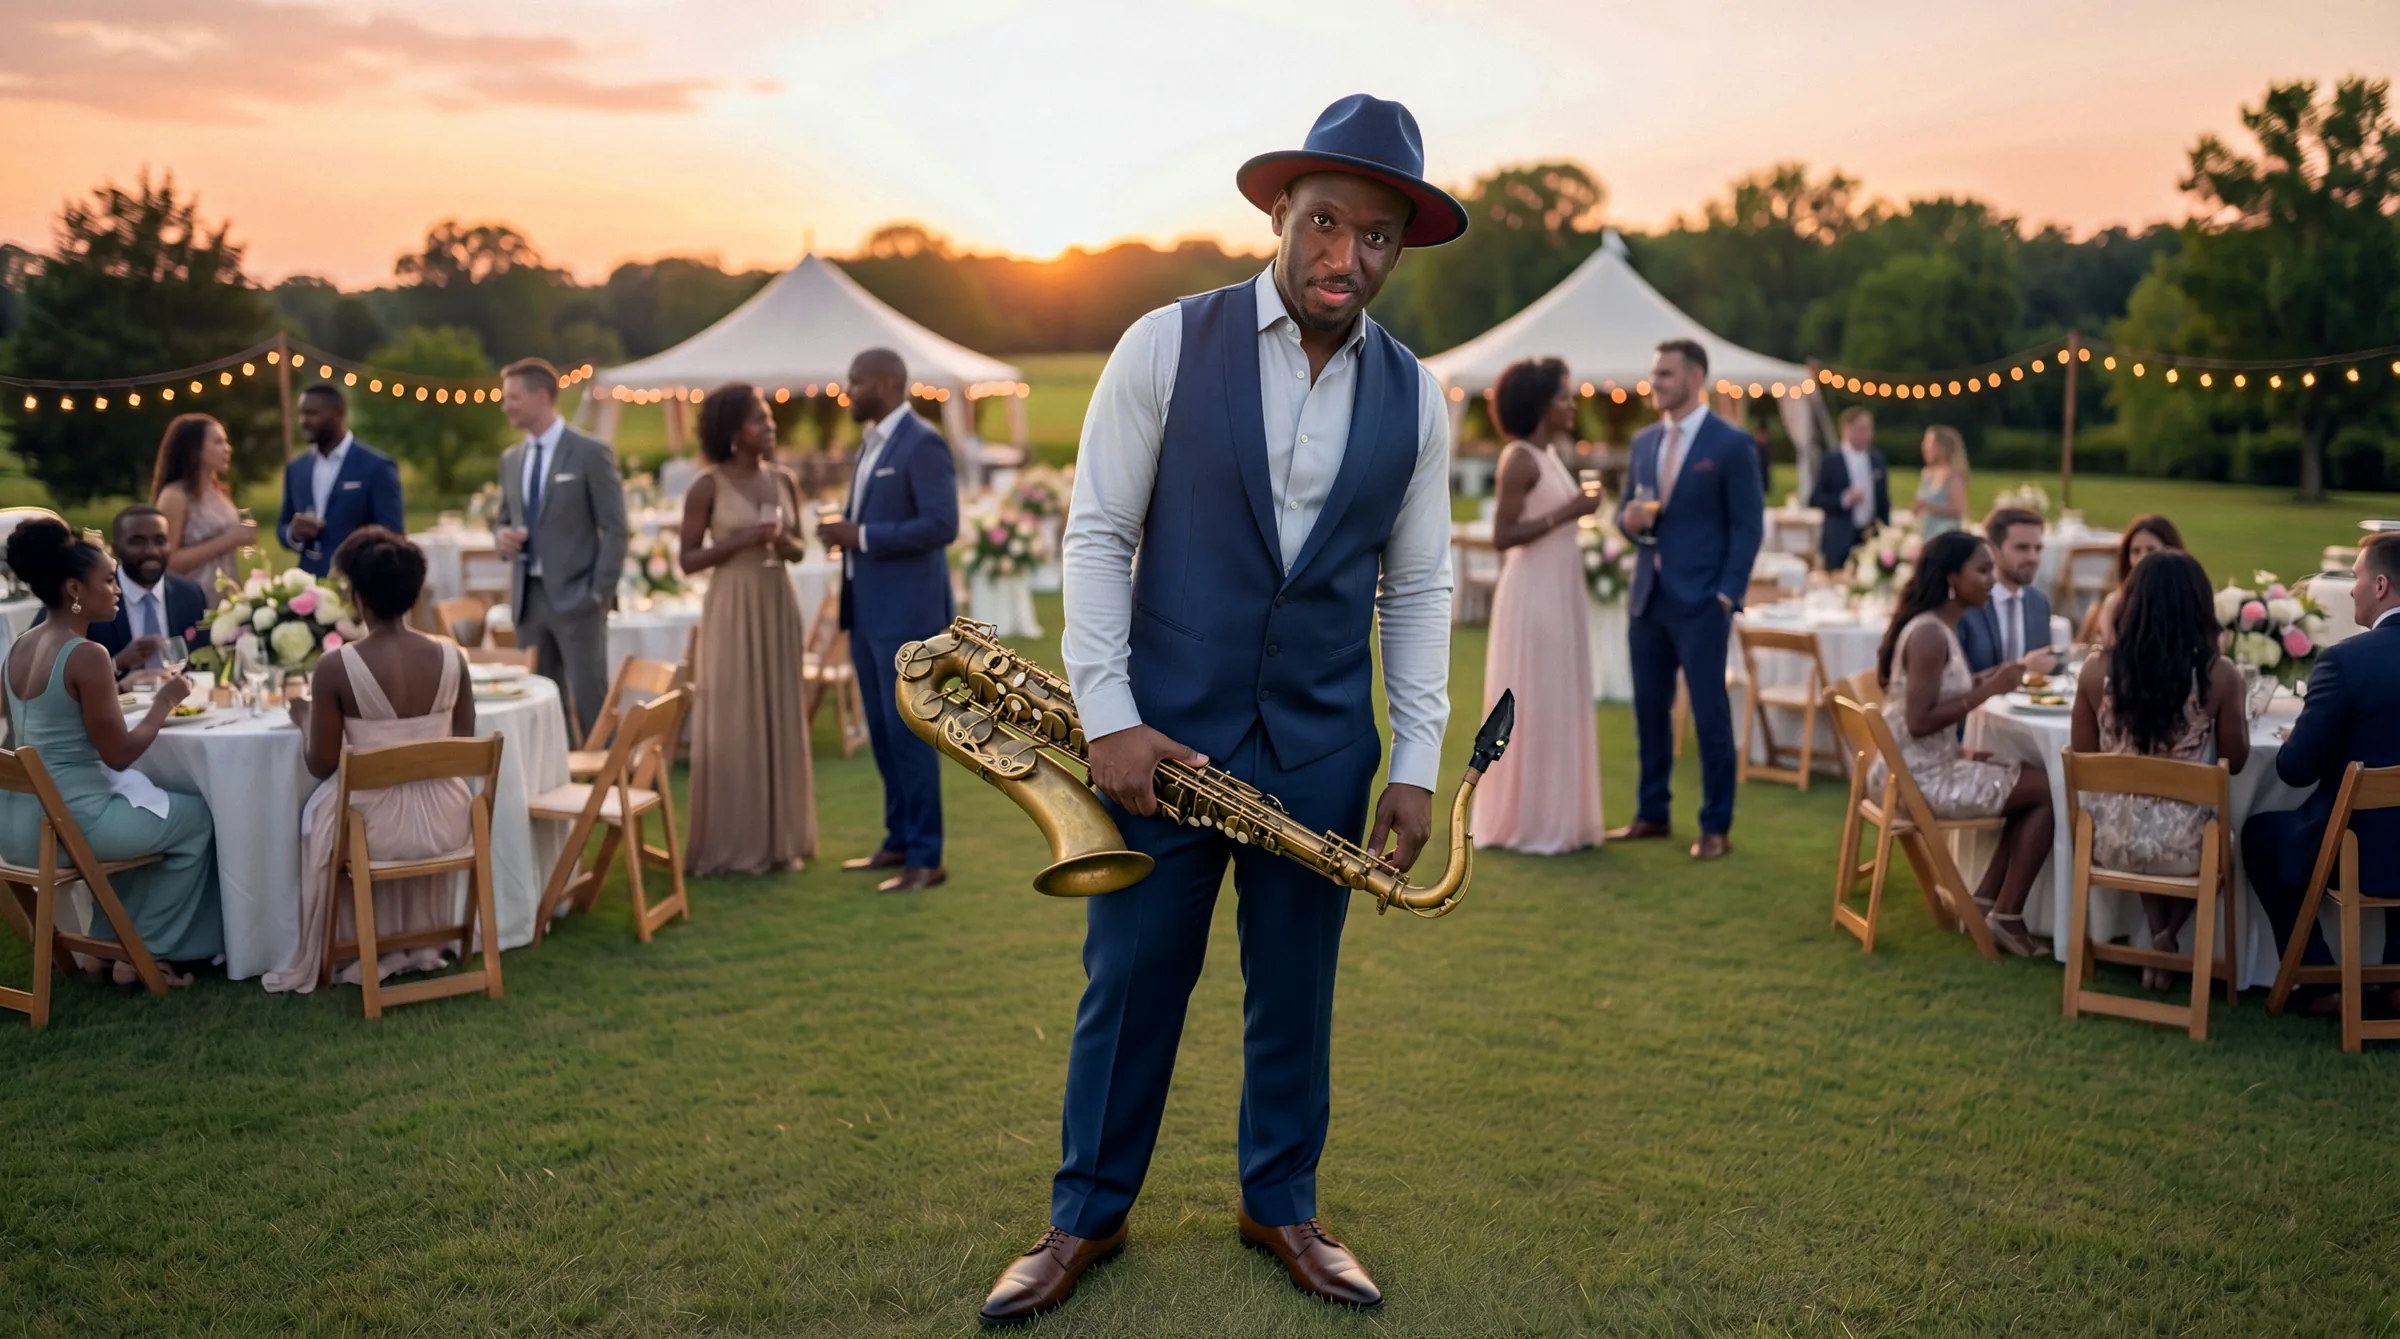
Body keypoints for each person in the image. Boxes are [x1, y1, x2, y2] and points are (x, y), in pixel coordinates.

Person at [985, 94, 1466, 1325]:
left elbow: (1417, 586)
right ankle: (1086, 1213)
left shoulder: (1421, 400)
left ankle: (1281, 1202)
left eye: (1374, 237)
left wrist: (1415, 759)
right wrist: (1108, 717)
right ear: (1277, 213)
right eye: (1323, 223)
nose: (1343, 257)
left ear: (1395, 250)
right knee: (1131, 981)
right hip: (1161, 741)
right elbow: (1095, 537)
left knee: (1297, 988)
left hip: (1319, 746)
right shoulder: (1162, 344)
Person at [0, 519, 220, 986]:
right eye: (108, 580)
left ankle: (105, 949)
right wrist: (164, 702)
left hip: (17, 826)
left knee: (138, 814)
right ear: (75, 588)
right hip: (70, 826)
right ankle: (146, 952)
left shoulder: (20, 646)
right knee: (197, 818)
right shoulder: (87, 654)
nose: (118, 590)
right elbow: (120, 755)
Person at [265, 529, 477, 993]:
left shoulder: (336, 667)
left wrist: (303, 718)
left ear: (357, 596)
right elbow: (464, 742)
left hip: (372, 831)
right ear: (416, 591)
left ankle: (347, 941)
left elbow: (321, 765)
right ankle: (419, 937)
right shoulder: (453, 657)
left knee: (313, 814)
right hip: (448, 821)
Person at [1612, 338, 1764, 861]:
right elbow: (1625, 513)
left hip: (1702, 602)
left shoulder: (1731, 444)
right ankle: (1651, 813)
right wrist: (1627, 522)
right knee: (1649, 713)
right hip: (1647, 597)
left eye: (1667, 374)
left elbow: (1748, 527)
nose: (1656, 383)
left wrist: (1727, 594)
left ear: (1696, 378)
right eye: (1655, 373)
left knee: (1709, 715)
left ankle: (1715, 824)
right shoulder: (1644, 443)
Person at [2069, 550, 2248, 991]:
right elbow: (2236, 761)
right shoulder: (2219, 675)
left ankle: (2158, 937)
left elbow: (2083, 756)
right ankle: (2167, 937)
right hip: (2185, 848)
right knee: (2220, 836)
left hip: (2108, 841)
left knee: (2144, 814)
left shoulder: (2095, 670)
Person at [1873, 531, 2057, 955]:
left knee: (2035, 783)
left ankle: (1987, 903)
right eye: (1982, 570)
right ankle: (2005, 914)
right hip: (1922, 779)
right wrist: (1988, 691)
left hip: (1922, 767)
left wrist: (1991, 677)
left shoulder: (1939, 627)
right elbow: (1918, 722)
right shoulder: (1929, 635)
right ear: (1952, 577)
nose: (1992, 579)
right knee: (2050, 789)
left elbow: (1939, 693)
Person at [816, 348, 958, 894]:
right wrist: (846, 532)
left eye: (855, 382)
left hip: (909, 620)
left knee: (910, 738)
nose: (847, 390)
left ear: (886, 383)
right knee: (880, 733)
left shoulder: (923, 443)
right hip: (868, 612)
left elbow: (942, 524)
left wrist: (863, 537)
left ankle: (927, 858)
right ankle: (897, 841)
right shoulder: (871, 444)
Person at [2242, 532, 2400, 1016]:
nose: (2350, 589)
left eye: (2354, 577)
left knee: (2258, 835)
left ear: (2379, 585)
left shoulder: (2346, 661)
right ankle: (2395, 981)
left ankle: (2320, 981)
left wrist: (2300, 739)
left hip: (2360, 857)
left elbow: (2293, 771)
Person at [678, 383, 817, 877]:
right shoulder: (707, 486)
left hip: (777, 600)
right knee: (735, 715)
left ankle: (782, 840)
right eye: (760, 419)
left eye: (768, 418)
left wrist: (780, 543)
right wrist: (738, 540)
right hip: (733, 604)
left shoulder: (784, 479)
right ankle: (733, 842)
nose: (770, 426)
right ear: (733, 431)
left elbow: (801, 549)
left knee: (779, 709)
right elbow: (688, 560)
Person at [1476, 356, 1603, 853]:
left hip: (1561, 589)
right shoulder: (1521, 458)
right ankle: (1526, 820)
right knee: (1533, 700)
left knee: (1558, 700)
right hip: (1533, 597)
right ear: (1540, 404)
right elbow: (1502, 536)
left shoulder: (1553, 454)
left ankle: (1560, 815)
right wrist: (1569, 512)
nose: (1572, 404)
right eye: (1563, 396)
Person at [494, 358, 629, 742]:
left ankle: (606, 791)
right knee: (540, 708)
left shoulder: (590, 453)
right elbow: (504, 519)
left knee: (591, 703)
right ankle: (555, 791)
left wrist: (598, 593)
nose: (506, 406)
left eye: (513, 398)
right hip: (528, 603)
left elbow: (617, 529)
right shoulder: (511, 460)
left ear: (541, 396)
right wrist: (502, 537)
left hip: (578, 600)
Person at [50, 506, 210, 682]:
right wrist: (117, 663)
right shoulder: (89, 594)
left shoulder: (190, 594)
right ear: (116, 549)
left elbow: (203, 661)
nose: (151, 551)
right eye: (137, 542)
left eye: (160, 541)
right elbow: (54, 671)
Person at [277, 383, 403, 578]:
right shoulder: (296, 469)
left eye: (312, 413)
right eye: (301, 414)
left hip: (359, 587)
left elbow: (393, 536)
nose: (303, 421)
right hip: (307, 588)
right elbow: (282, 527)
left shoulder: (377, 467)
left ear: (338, 414)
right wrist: (294, 533)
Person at [150, 413, 256, 601]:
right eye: (218, 442)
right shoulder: (174, 496)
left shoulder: (218, 492)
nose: (228, 449)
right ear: (194, 450)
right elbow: (167, 562)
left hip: (228, 602)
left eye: (226, 442)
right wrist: (230, 539)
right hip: (193, 602)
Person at [1959, 507, 2054, 674]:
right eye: (2022, 548)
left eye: (2037, 549)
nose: (2033, 558)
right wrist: (2020, 668)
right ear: (1992, 550)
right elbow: (1956, 681)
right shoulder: (1966, 604)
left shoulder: (2039, 604)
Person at [2081, 513, 2184, 647]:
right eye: (2136, 551)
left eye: (2151, 550)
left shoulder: (2187, 601)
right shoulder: (2116, 604)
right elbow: (2109, 653)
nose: (2142, 558)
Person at [1809, 406, 1888, 571]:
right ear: (1846, 429)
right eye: (1861, 429)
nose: (1867, 434)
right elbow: (1815, 498)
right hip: (1840, 535)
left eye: (1868, 428)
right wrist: (1844, 498)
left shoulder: (1877, 459)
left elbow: (1883, 499)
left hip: (1869, 534)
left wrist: (1885, 533)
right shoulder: (1831, 460)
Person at [1914, 425, 1968, 537]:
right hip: (1927, 533)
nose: (1924, 447)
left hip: (1945, 535)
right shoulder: (1927, 474)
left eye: (1929, 443)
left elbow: (1957, 510)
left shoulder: (1952, 476)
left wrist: (1928, 506)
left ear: (1941, 447)